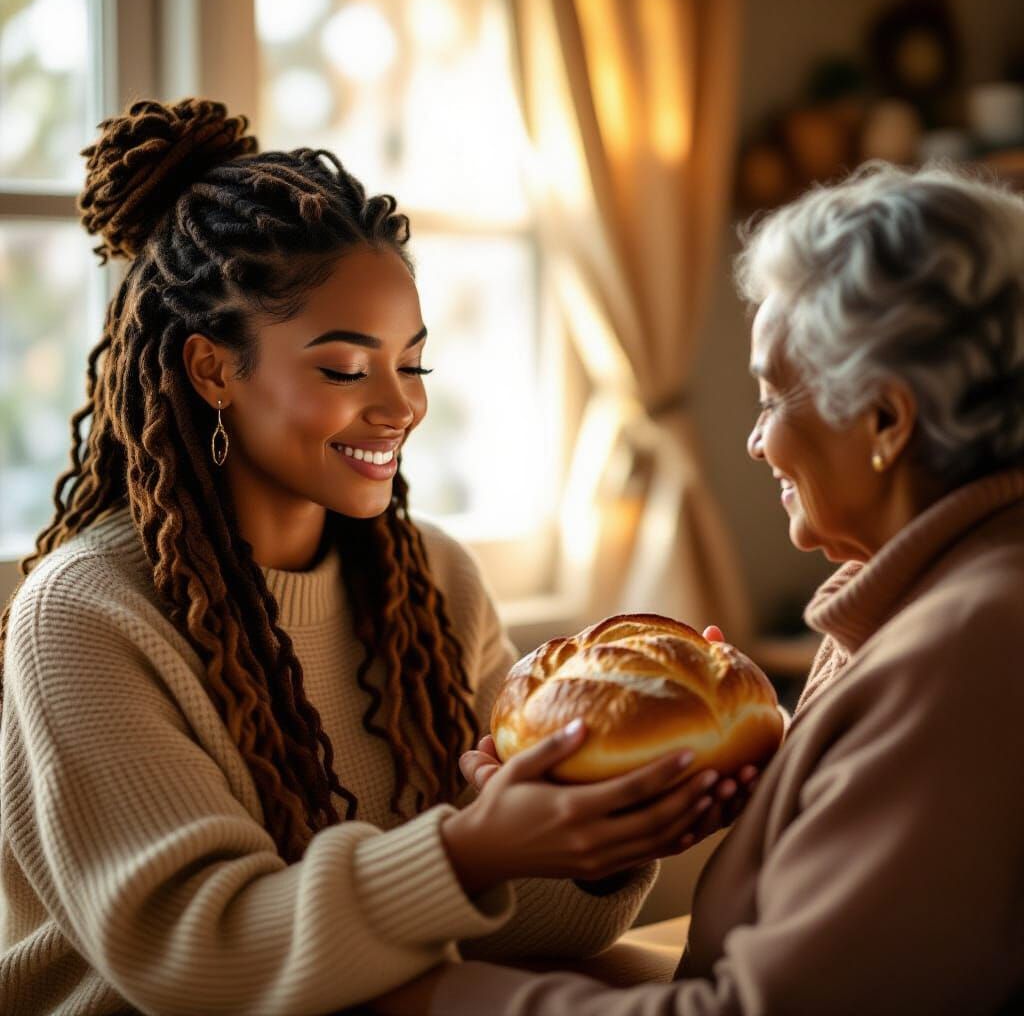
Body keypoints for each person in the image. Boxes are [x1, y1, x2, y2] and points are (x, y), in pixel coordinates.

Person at [0, 98, 752, 1015]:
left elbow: (502, 930)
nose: (401, 407)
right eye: (347, 370)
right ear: (213, 371)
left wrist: (610, 833)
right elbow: (198, 962)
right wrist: (472, 850)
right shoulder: (85, 615)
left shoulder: (432, 581)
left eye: (414, 364)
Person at [372, 161, 1024, 1015]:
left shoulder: (968, 648)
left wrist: (428, 999)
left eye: (767, 397)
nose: (755, 443)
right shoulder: (907, 595)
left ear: (886, 421)